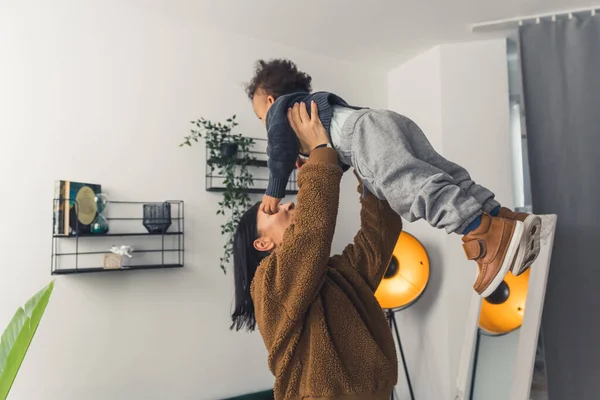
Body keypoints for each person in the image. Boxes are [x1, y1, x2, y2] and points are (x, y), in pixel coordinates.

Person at [246, 58, 541, 297]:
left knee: (408, 187)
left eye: (260, 117)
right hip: (378, 120)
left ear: (269, 101)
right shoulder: (307, 107)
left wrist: (275, 189)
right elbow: (341, 149)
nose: (265, 123)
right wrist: (319, 158)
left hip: (361, 135)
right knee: (440, 173)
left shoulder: (277, 114)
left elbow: (278, 153)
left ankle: (482, 232)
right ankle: (504, 219)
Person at [231, 102, 402, 400]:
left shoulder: (336, 275)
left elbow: (381, 233)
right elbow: (311, 234)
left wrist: (365, 168)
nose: (287, 204)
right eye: (272, 210)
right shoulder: (267, 285)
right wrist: (320, 151)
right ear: (262, 243)